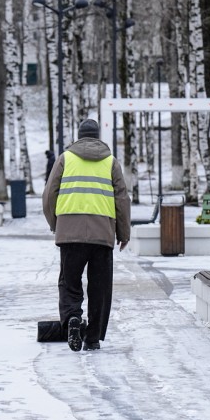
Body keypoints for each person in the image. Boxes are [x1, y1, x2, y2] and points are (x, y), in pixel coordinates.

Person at [42, 119, 131, 352]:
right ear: (98, 135)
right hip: (102, 235)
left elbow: (49, 194)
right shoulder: (111, 162)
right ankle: (92, 337)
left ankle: (72, 317)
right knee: (100, 287)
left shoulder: (65, 158)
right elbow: (122, 199)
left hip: (70, 233)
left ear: (79, 136)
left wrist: (56, 224)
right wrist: (124, 233)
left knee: (69, 282)